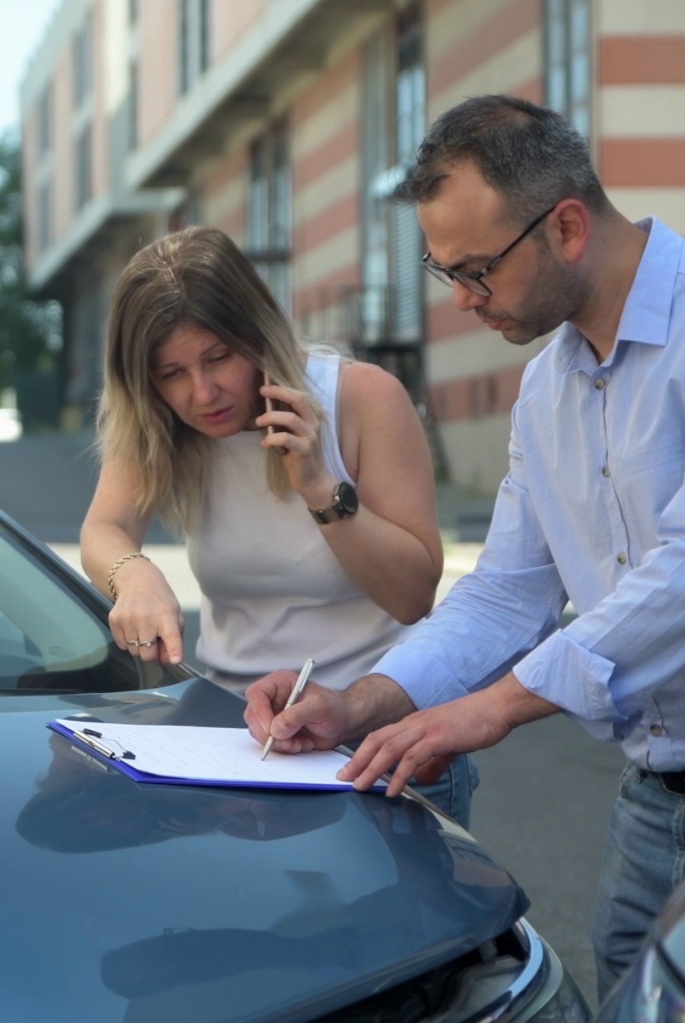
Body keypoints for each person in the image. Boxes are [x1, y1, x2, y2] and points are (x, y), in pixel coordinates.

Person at [245, 93, 685, 1004]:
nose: (462, 301)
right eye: (444, 271)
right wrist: (362, 705)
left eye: (478, 270)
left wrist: (495, 708)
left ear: (568, 227)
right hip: (654, 810)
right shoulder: (547, 389)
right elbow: (504, 593)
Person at [80, 225, 477, 826]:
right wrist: (130, 573)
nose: (202, 391)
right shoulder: (160, 422)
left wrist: (320, 487)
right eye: (171, 373)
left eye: (219, 357)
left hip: (378, 739)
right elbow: (104, 529)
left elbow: (412, 595)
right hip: (241, 744)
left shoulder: (361, 398)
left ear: (257, 333)